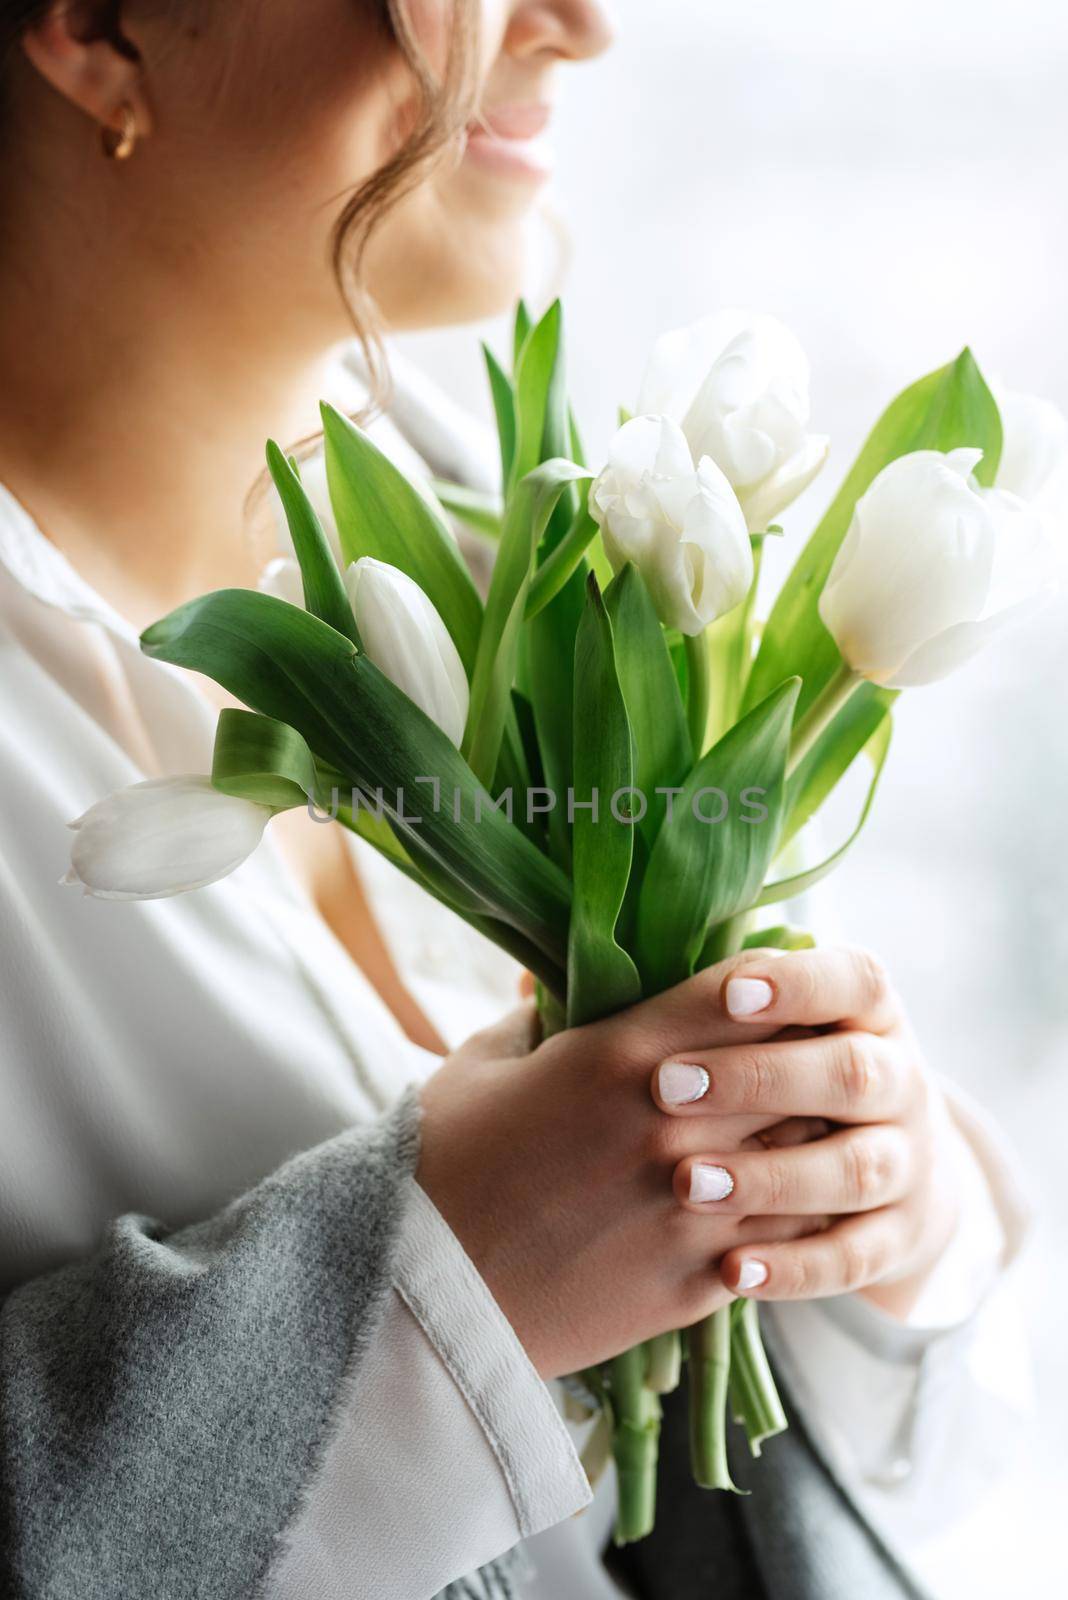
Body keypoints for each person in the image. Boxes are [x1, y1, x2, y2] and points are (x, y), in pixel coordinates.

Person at [0, 4, 1028, 1598]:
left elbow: (936, 1461)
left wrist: (872, 1219)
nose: (583, 25)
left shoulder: (554, 518)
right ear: (96, 27)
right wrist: (430, 1282)